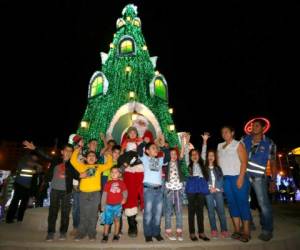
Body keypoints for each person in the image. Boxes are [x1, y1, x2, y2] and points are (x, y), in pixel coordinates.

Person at [22, 141, 79, 241]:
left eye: (71, 151)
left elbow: (78, 175)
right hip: (54, 190)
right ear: (62, 151)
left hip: (67, 191)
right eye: (66, 150)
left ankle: (63, 232)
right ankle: (50, 232)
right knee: (53, 212)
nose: (68, 153)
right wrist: (35, 148)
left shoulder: (73, 164)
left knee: (65, 213)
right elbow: (45, 155)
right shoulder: (56, 160)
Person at [242, 119, 277, 241]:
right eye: (252, 125)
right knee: (244, 201)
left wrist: (273, 180)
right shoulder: (245, 139)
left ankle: (267, 229)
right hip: (244, 175)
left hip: (259, 177)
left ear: (263, 128)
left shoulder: (269, 143)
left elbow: (273, 163)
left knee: (264, 204)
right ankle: (249, 223)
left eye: (256, 125)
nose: (253, 127)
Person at [70, 144, 113, 241]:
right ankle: (81, 233)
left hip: (95, 194)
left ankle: (92, 233)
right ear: (86, 158)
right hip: (83, 193)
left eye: (93, 156)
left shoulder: (99, 167)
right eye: (89, 156)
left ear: (96, 159)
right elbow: (73, 161)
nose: (91, 157)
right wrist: (77, 150)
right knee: (83, 214)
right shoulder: (82, 167)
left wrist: (108, 155)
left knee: (93, 214)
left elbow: (109, 164)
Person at [217, 126, 251, 243]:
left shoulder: (238, 144)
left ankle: (246, 231)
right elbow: (218, 164)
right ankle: (237, 230)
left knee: (242, 203)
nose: (224, 133)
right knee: (232, 204)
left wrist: (241, 178)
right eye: (222, 132)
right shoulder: (220, 146)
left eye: (226, 131)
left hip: (238, 177)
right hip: (226, 179)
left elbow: (244, 162)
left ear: (232, 132)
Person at [138, 134, 169, 242]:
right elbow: (139, 150)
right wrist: (145, 142)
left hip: (159, 190)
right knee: (148, 212)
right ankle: (148, 234)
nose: (155, 149)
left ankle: (156, 233)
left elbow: (167, 157)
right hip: (148, 189)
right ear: (147, 151)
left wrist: (164, 144)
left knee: (158, 213)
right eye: (153, 148)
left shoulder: (160, 160)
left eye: (156, 148)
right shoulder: (145, 158)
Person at [183, 133, 210, 242]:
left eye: (196, 154)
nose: (194, 155)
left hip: (201, 184)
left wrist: (204, 141)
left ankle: (201, 232)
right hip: (191, 185)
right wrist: (186, 141)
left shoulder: (202, 163)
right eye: (192, 154)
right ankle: (192, 233)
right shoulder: (188, 163)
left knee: (200, 210)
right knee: (191, 210)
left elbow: (204, 152)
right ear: (190, 157)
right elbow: (185, 153)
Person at [6, 148, 42, 224]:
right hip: (20, 184)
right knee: (15, 201)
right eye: (36, 157)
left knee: (23, 203)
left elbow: (39, 171)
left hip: (27, 186)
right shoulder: (24, 160)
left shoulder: (34, 164)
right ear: (32, 156)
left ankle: (20, 218)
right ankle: (9, 218)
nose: (37, 159)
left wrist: (38, 167)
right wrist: (36, 165)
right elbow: (27, 165)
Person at [204, 148, 229, 239]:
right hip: (208, 192)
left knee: (221, 211)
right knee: (211, 211)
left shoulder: (218, 168)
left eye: (212, 155)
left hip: (218, 192)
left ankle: (224, 229)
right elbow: (204, 180)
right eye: (209, 155)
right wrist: (210, 188)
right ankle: (213, 229)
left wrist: (217, 188)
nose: (210, 157)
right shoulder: (204, 168)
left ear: (215, 158)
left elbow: (221, 179)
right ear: (207, 157)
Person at [163, 137, 185, 241]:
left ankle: (179, 231)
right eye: (171, 154)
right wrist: (163, 141)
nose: (174, 156)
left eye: (175, 154)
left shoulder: (178, 163)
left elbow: (182, 154)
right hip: (168, 190)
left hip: (178, 189)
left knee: (179, 211)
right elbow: (163, 152)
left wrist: (183, 142)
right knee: (168, 211)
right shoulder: (166, 163)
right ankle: (168, 231)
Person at [101, 167, 127, 243]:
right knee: (107, 221)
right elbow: (104, 195)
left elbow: (125, 192)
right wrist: (103, 205)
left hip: (118, 206)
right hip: (108, 206)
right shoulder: (108, 183)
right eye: (112, 172)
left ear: (119, 174)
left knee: (117, 220)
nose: (114, 173)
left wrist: (124, 199)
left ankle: (116, 235)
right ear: (110, 174)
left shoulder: (122, 183)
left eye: (116, 172)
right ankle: (105, 235)